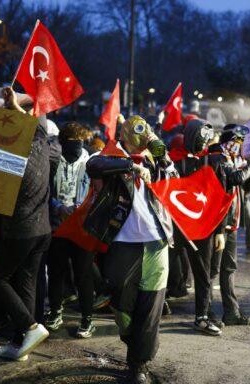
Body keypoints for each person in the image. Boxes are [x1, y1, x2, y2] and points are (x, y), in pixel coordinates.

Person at [85, 115, 177, 384]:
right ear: (124, 136)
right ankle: (132, 340)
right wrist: (131, 166)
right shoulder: (112, 156)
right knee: (122, 306)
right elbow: (93, 165)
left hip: (157, 241)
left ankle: (139, 364)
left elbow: (171, 170)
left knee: (151, 306)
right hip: (123, 243)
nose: (142, 144)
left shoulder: (153, 156)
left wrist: (156, 144)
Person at [0, 87, 50, 361]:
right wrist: (16, 105)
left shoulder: (13, 153)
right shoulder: (42, 142)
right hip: (43, 229)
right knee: (26, 283)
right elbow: (32, 125)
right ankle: (21, 344)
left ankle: (30, 327)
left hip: (21, 229)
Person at [172, 118, 225, 336]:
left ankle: (202, 315)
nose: (202, 143)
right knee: (165, 270)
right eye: (199, 138)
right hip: (177, 225)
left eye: (205, 139)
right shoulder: (174, 161)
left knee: (204, 273)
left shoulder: (213, 162)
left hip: (204, 227)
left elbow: (219, 197)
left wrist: (220, 231)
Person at [45, 121, 96, 338]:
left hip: (82, 228)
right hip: (57, 225)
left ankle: (87, 318)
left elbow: (97, 193)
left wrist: (82, 206)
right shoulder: (53, 161)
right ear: (62, 143)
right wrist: (57, 207)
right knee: (56, 272)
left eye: (80, 143)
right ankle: (56, 311)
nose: (77, 148)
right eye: (72, 143)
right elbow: (44, 190)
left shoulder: (91, 162)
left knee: (83, 274)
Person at [217, 124, 250, 326]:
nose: (240, 145)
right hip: (218, 224)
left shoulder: (238, 160)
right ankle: (204, 314)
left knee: (229, 268)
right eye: (238, 141)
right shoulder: (219, 157)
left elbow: (247, 186)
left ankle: (231, 313)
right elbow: (234, 178)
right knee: (210, 271)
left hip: (232, 224)